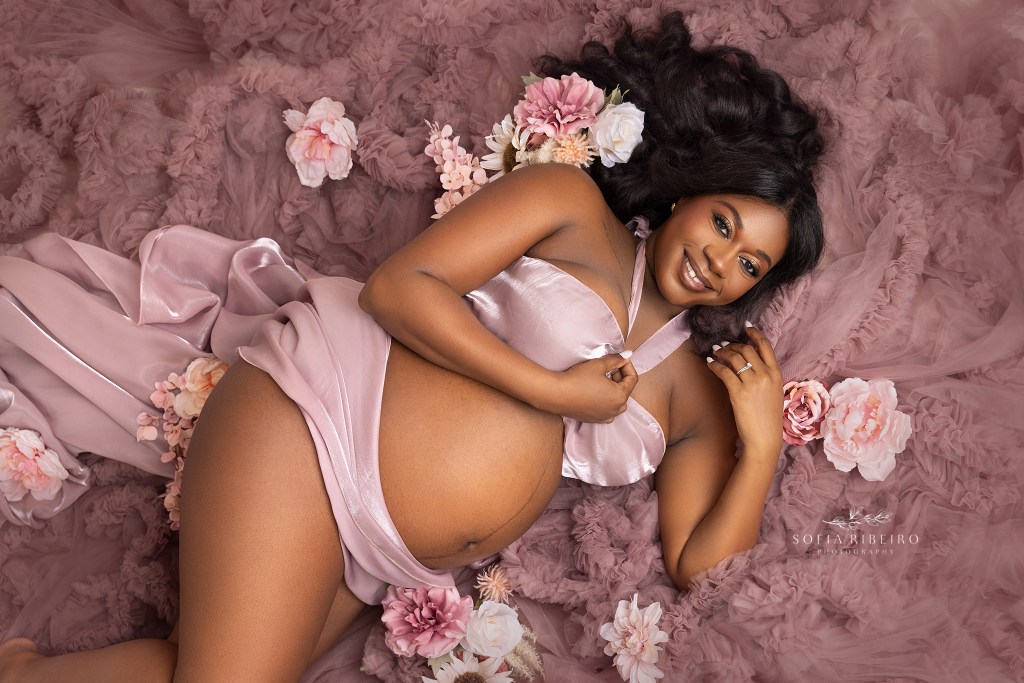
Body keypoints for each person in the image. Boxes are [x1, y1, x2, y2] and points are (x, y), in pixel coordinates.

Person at [0, 12, 823, 682]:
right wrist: (558, 393)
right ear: (689, 188)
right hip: (318, 424)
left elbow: (696, 562)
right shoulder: (573, 207)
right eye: (723, 221)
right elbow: (399, 289)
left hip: (380, 551)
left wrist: (755, 450)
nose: (721, 259)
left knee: (205, 671)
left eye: (748, 262)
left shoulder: (694, 394)